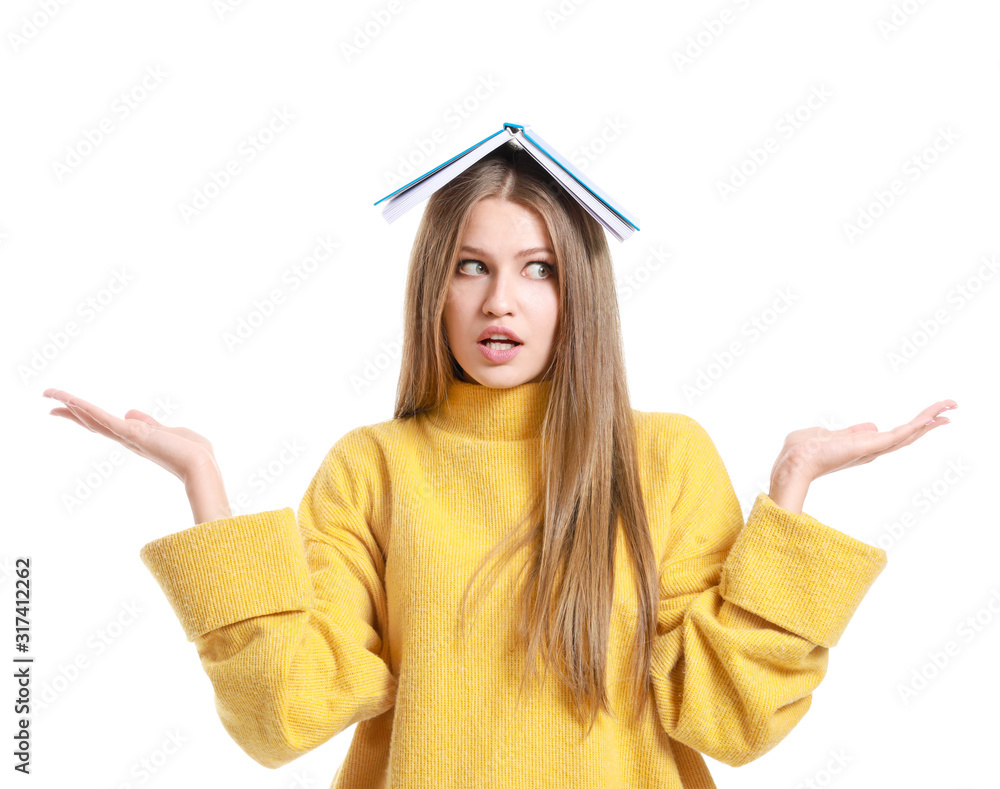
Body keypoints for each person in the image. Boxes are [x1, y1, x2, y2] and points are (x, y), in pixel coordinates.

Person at [42, 141, 956, 788]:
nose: (502, 301)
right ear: (434, 286)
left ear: (578, 291)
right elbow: (286, 716)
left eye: (539, 269)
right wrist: (204, 480)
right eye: (472, 266)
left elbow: (729, 719)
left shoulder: (664, 457)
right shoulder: (374, 467)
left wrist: (791, 484)